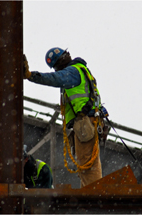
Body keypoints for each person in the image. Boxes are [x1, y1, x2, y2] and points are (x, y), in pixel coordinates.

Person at [23, 48, 108, 187]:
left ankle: (92, 197)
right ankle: (90, 193)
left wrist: (31, 75)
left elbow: (54, 79)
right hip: (88, 123)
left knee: (87, 165)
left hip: (85, 124)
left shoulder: (72, 72)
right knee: (87, 164)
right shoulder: (81, 70)